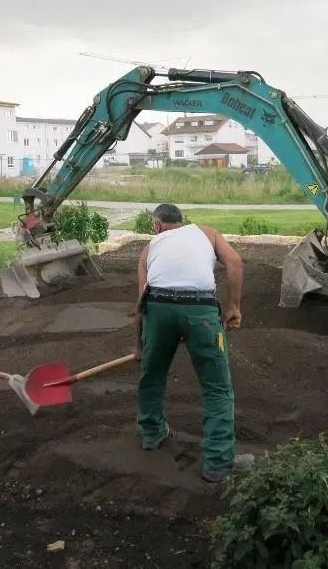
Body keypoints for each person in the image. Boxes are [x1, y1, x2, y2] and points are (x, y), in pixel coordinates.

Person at [134, 203, 253, 483]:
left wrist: (139, 345)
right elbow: (235, 263)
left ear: (157, 225)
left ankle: (151, 434)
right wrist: (233, 307)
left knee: (151, 376)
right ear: (183, 222)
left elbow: (140, 303)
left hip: (158, 308)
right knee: (217, 388)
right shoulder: (207, 233)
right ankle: (218, 463)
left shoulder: (150, 247)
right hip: (200, 311)